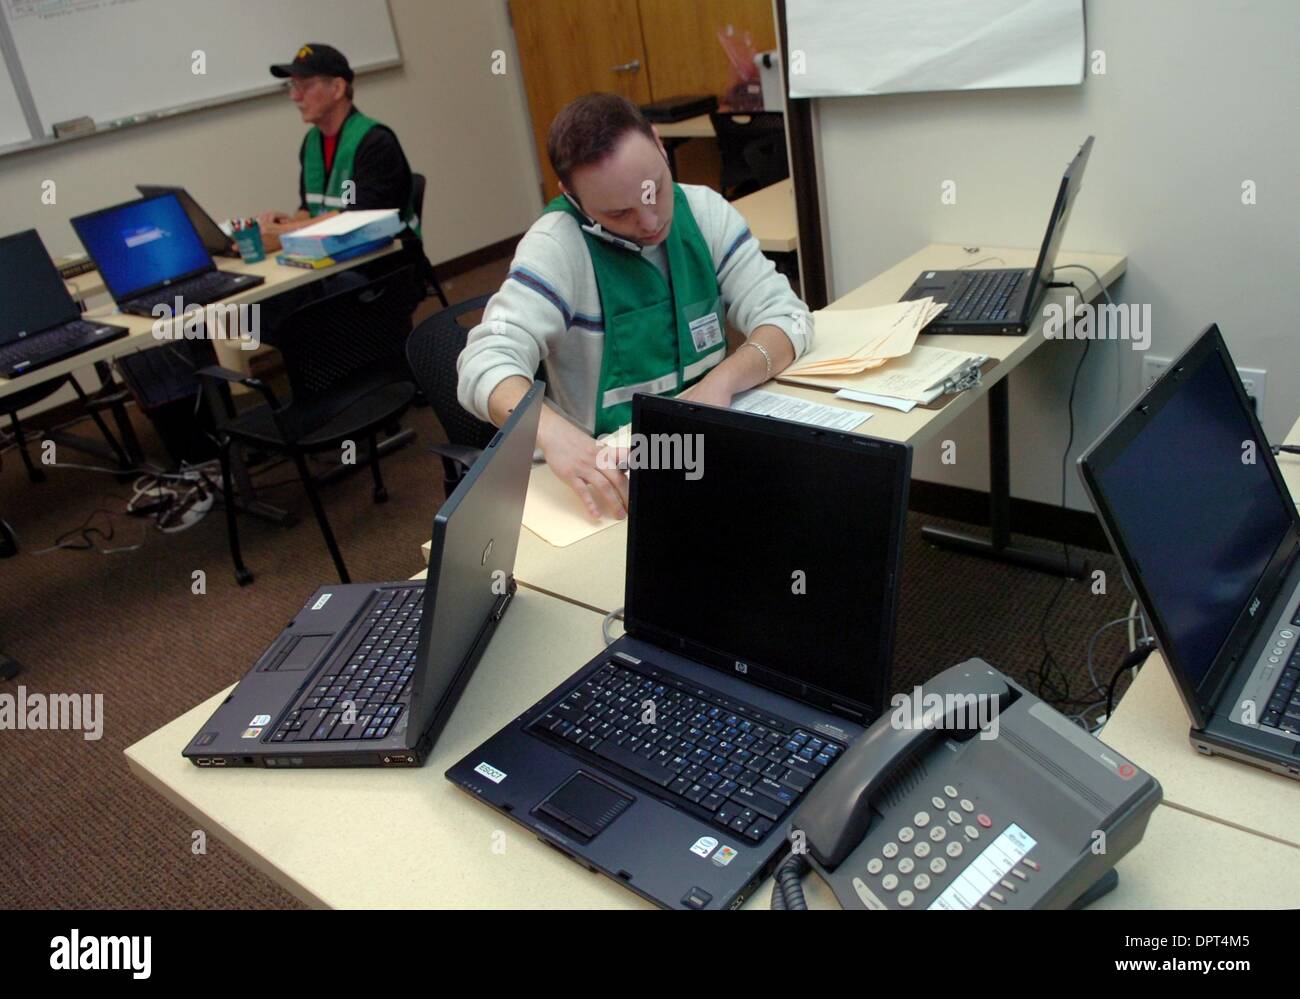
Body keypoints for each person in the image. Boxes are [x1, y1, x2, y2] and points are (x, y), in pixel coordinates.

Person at [457, 93, 811, 521]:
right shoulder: (556, 247)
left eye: (655, 190)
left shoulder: (703, 213)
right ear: (571, 195)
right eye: (619, 212)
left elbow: (787, 317)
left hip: (705, 449)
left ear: (660, 146)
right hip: (608, 476)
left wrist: (724, 379)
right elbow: (483, 361)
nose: (649, 221)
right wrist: (551, 432)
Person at [257, 43, 418, 248]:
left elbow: (355, 216)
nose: (295, 96)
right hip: (333, 255)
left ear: (337, 88)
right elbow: (311, 207)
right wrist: (288, 224)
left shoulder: (374, 141)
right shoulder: (312, 142)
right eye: (292, 86)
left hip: (384, 261)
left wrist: (285, 234)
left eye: (304, 86)